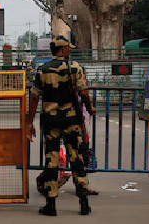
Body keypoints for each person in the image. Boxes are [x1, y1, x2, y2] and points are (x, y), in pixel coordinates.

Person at [27, 36, 96, 216]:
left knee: (52, 160)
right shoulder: (75, 67)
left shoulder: (43, 70)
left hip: (51, 121)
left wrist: (29, 121)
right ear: (62, 49)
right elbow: (83, 93)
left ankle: (50, 204)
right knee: (76, 159)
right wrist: (90, 108)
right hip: (71, 121)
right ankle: (84, 202)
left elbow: (34, 97)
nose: (69, 50)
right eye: (67, 48)